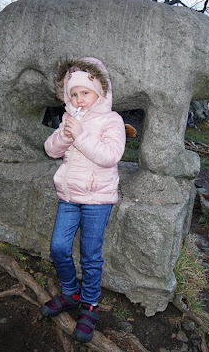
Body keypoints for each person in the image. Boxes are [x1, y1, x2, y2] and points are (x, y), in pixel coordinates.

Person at [41, 57, 126, 343]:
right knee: (59, 247)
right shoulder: (69, 118)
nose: (79, 99)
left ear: (100, 92)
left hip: (97, 199)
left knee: (91, 255)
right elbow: (50, 150)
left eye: (85, 93)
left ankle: (89, 305)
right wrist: (66, 136)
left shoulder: (112, 120)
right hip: (69, 195)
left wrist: (79, 136)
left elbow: (110, 156)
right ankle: (70, 293)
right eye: (73, 94)